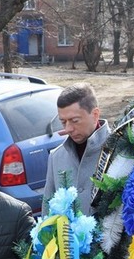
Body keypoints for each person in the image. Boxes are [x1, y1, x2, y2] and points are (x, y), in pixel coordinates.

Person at [43, 82, 110, 215]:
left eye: (75, 121)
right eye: (63, 122)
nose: (68, 129)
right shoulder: (56, 157)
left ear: (95, 115)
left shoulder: (120, 151)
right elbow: (48, 212)